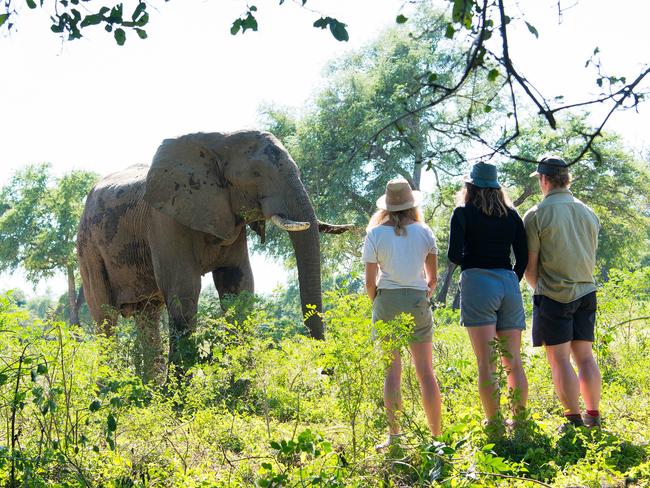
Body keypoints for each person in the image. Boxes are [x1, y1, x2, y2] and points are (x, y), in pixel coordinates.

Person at [447, 162, 528, 428]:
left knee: (487, 362)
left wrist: (473, 260)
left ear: (470, 187)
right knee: (512, 361)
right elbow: (523, 256)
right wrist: (511, 278)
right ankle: (520, 420)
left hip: (478, 282)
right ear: (496, 187)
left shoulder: (462, 212)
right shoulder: (512, 215)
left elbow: (453, 255)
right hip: (508, 283)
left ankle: (494, 422)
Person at [362, 178, 442, 448]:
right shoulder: (425, 232)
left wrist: (378, 303)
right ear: (411, 204)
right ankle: (436, 437)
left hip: (386, 302)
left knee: (392, 373)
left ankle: (394, 436)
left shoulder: (374, 234)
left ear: (387, 206)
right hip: (417, 300)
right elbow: (433, 279)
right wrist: (421, 296)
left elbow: (369, 283)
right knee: (426, 372)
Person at [523, 156, 601, 429]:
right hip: (586, 291)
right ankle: (593, 415)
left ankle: (573, 419)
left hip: (553, 295)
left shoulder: (536, 214)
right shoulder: (588, 212)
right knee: (585, 356)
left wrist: (541, 290)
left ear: (544, 180)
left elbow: (530, 268)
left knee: (559, 360)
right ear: (567, 179)